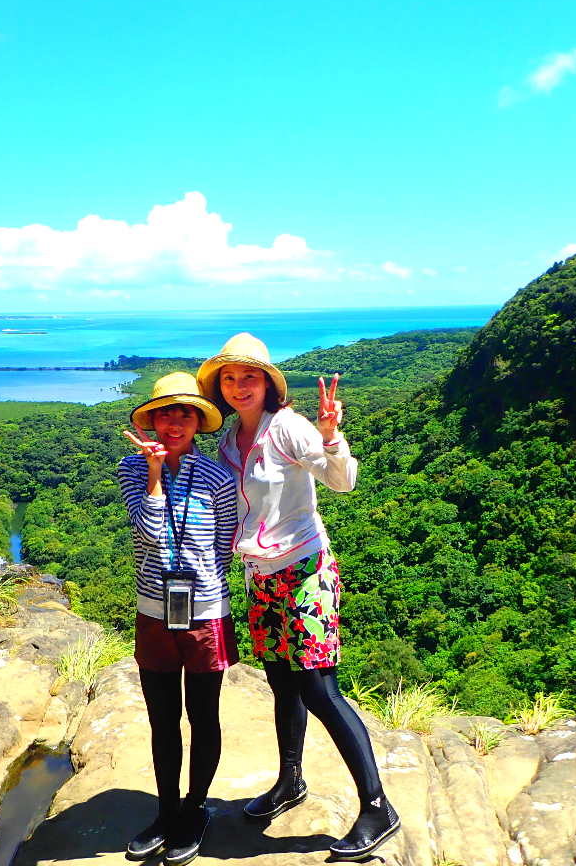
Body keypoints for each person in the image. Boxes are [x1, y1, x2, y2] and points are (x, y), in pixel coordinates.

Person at [196, 333, 399, 862]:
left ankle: (377, 806)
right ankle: (290, 782)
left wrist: (331, 437)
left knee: (318, 688)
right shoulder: (226, 443)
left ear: (268, 383)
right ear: (220, 386)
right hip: (260, 577)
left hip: (306, 570)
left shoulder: (286, 427)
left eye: (250, 377)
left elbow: (342, 481)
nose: (240, 386)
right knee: (282, 684)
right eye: (230, 378)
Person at [118, 371, 239, 866]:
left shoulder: (218, 477)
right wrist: (152, 474)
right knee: (162, 718)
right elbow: (146, 534)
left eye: (185, 412)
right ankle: (166, 812)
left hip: (206, 611)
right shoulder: (131, 467)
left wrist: (200, 581)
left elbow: (223, 546)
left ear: (197, 422)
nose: (175, 421)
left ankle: (195, 809)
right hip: (153, 608)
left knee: (202, 716)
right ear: (151, 419)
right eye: (165, 411)